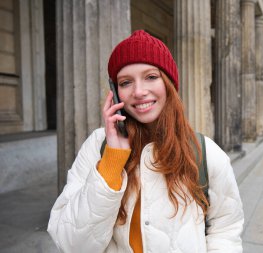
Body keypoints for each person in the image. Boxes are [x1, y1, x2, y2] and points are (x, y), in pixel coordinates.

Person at [47, 30, 244, 253]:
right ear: (115, 91)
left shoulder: (205, 152)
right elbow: (71, 244)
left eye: (151, 77)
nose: (139, 91)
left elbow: (226, 229)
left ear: (168, 83)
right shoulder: (97, 146)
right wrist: (112, 162)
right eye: (126, 82)